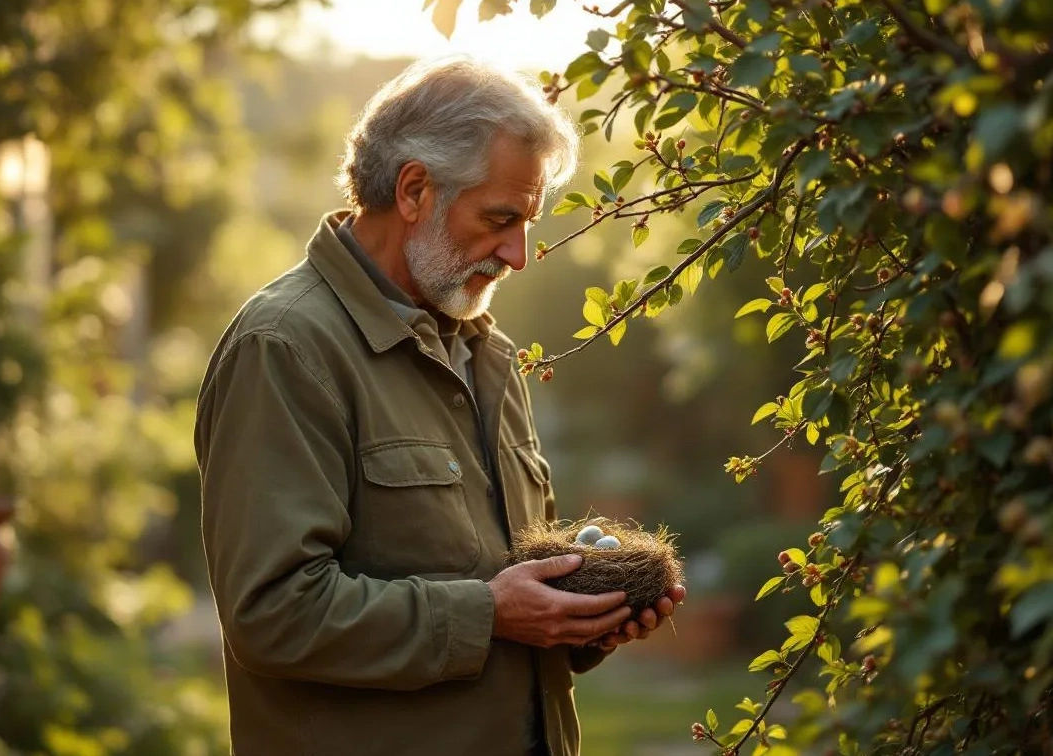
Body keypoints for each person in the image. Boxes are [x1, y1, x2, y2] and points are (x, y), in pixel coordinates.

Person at [193, 57, 686, 756]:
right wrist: (488, 613)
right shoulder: (285, 347)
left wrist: (582, 621)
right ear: (416, 189)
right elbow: (271, 614)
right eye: (499, 218)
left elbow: (502, 593)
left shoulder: (488, 353)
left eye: (528, 223)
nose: (518, 254)